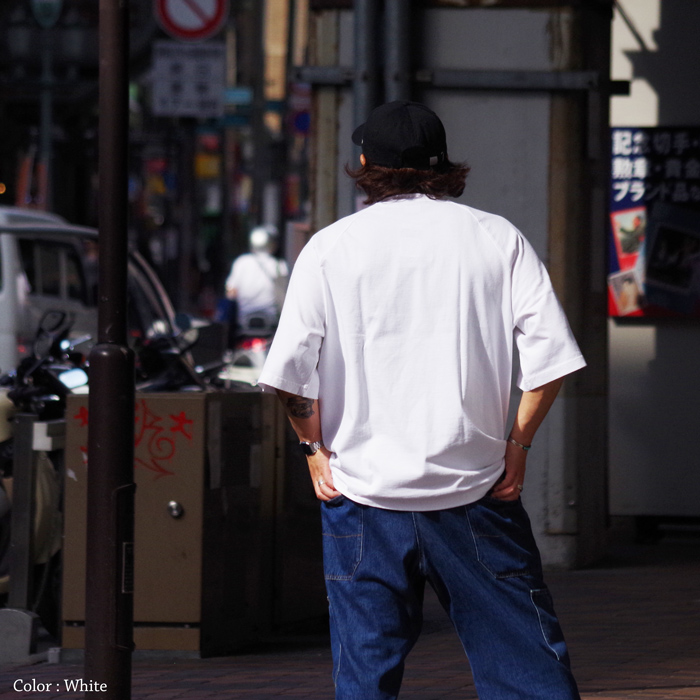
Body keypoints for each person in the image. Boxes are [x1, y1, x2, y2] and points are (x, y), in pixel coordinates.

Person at [258, 100, 587, 700]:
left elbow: (291, 377)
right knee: (528, 672)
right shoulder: (496, 238)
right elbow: (552, 361)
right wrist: (517, 445)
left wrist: (313, 450)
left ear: (364, 162)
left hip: (362, 496)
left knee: (365, 676)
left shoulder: (331, 248)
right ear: (443, 165)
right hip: (477, 492)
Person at [224, 225, 289, 335]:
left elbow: (231, 294)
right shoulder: (279, 266)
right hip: (271, 322)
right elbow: (285, 294)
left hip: (244, 321)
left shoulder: (241, 262)